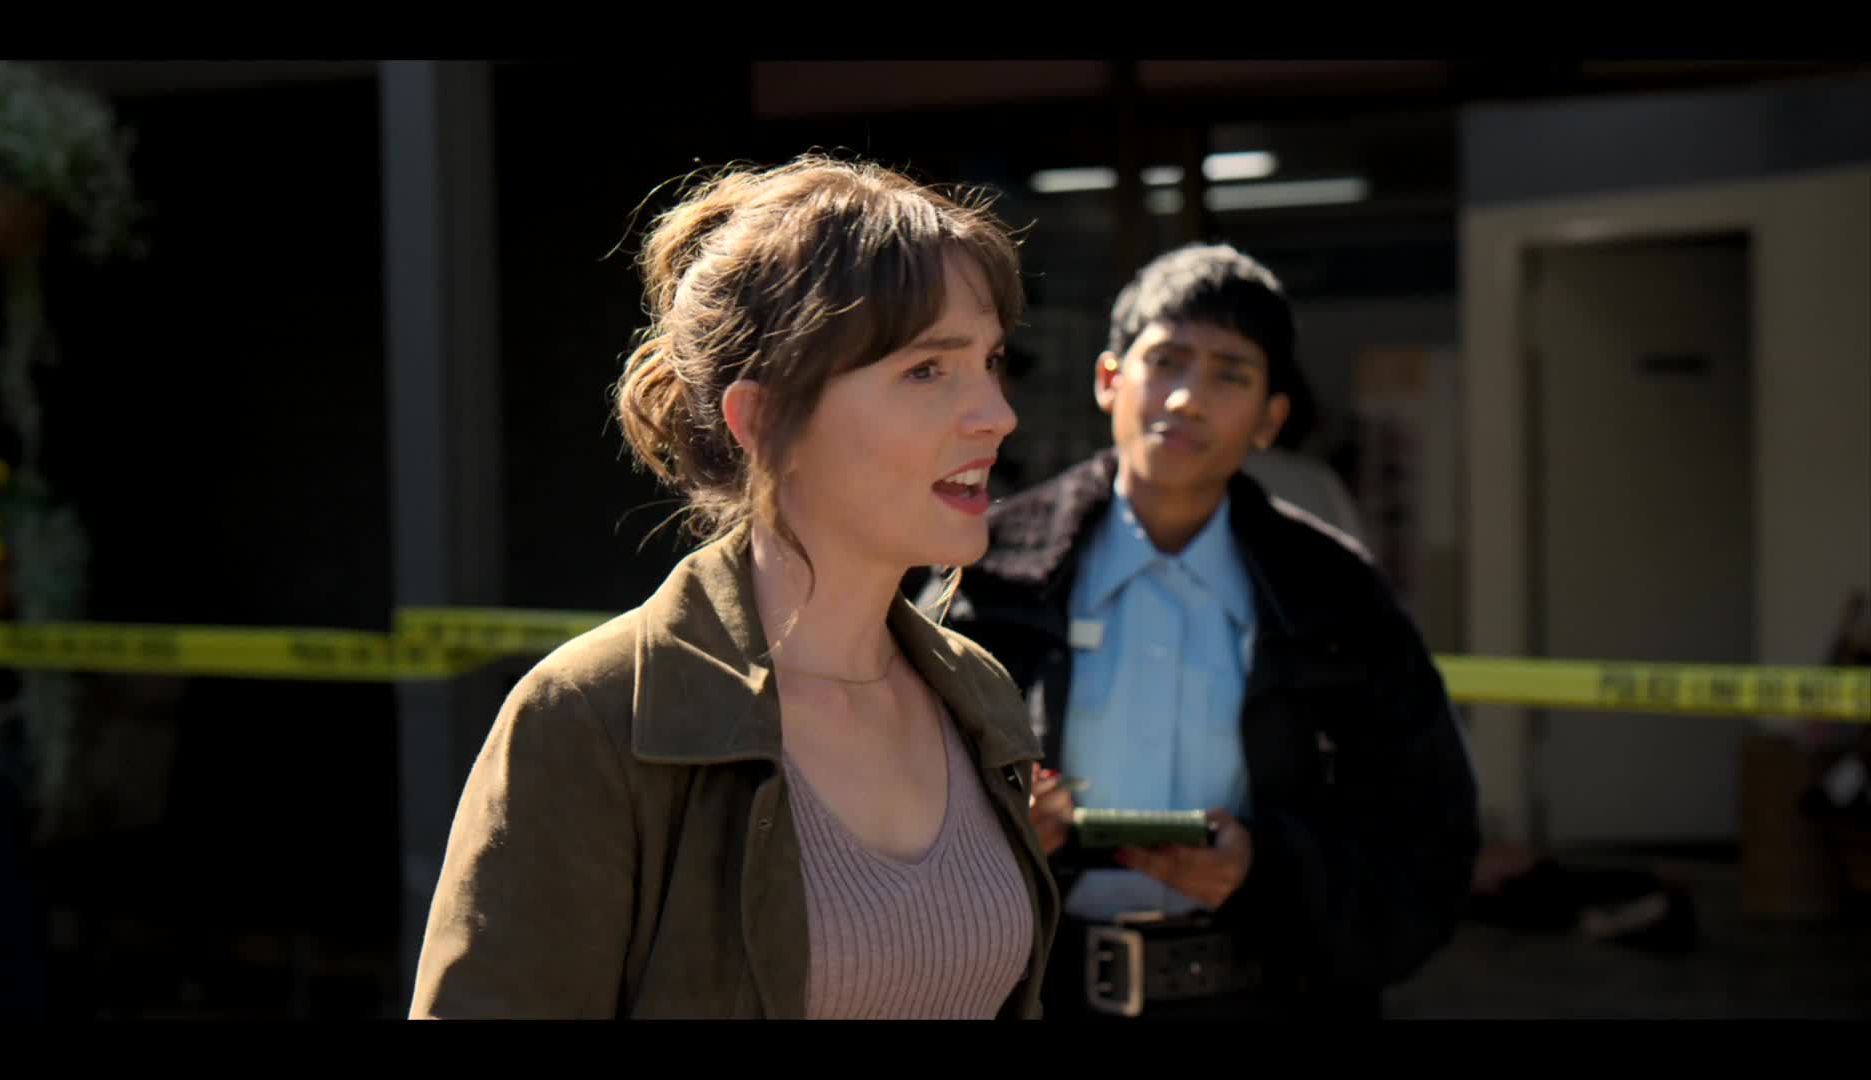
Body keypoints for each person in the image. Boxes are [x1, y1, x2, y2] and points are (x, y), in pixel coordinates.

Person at [410, 154, 1060, 1019]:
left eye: (991, 361)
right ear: (763, 419)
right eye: (927, 371)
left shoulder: (978, 696)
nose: (997, 415)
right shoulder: (596, 718)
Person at [920, 242, 1479, 1019]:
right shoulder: (983, 569)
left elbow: (1427, 846)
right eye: (1166, 361)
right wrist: (999, 834)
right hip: (1042, 992)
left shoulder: (1337, 597)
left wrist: (1266, 867)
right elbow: (882, 798)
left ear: (1270, 419)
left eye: (1231, 375)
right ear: (1109, 380)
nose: (1186, 399)